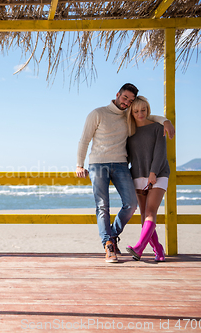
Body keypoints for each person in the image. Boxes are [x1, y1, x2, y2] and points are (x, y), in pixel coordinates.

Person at [76, 83, 174, 263]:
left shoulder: (129, 116)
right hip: (98, 164)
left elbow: (146, 116)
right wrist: (79, 165)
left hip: (121, 164)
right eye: (124, 98)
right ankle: (109, 245)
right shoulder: (97, 113)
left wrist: (165, 120)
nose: (127, 102)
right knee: (102, 206)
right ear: (117, 94)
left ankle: (111, 236)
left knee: (131, 205)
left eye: (130, 100)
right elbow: (84, 139)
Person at [125, 96, 170, 262]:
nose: (140, 113)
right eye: (136, 111)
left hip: (158, 174)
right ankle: (158, 250)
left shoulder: (157, 128)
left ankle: (139, 248)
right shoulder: (129, 131)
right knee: (144, 216)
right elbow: (128, 156)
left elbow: (160, 153)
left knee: (151, 212)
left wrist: (153, 173)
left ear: (148, 109)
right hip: (137, 175)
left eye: (143, 110)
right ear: (132, 112)